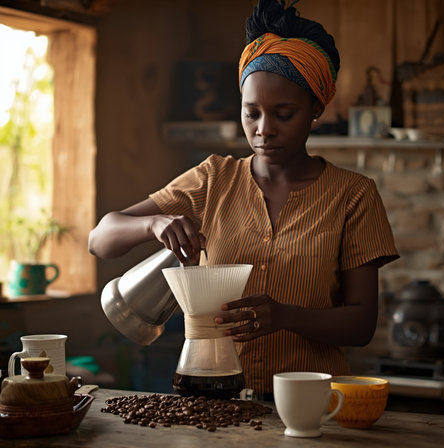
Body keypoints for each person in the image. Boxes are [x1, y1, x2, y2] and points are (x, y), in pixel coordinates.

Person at [89, 0, 399, 398]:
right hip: (210, 398)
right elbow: (100, 239)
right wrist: (153, 223)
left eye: (284, 114)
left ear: (316, 109)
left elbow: (361, 326)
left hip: (308, 403)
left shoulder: (353, 195)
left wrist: (285, 316)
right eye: (251, 113)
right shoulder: (214, 178)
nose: (263, 130)